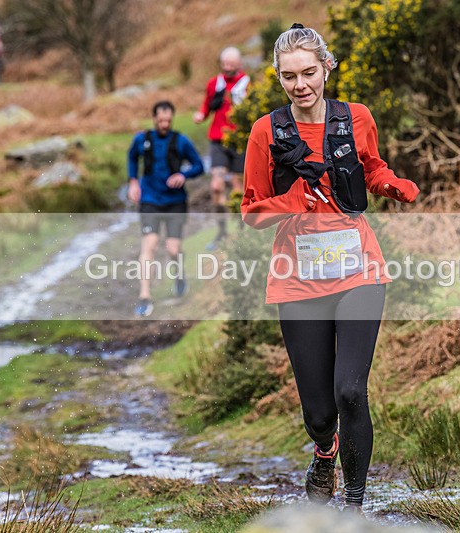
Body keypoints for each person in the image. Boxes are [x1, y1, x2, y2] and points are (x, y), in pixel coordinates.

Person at [240, 24, 419, 512]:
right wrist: (293, 202)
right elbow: (251, 212)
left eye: (309, 73)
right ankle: (324, 451)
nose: (301, 85)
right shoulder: (267, 132)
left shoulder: (356, 118)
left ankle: (354, 507)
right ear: (279, 78)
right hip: (297, 280)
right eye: (290, 76)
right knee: (320, 414)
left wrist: (391, 184)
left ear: (327, 68)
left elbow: (372, 167)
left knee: (350, 392)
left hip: (359, 270)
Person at [127, 100, 204, 317]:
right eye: (160, 120)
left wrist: (183, 175)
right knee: (149, 245)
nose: (164, 124)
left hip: (175, 201)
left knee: (172, 249)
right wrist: (133, 181)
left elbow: (199, 165)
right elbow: (132, 158)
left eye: (168, 121)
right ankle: (144, 296)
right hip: (150, 199)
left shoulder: (181, 141)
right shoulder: (141, 140)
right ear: (154, 119)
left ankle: (179, 276)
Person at [193, 46, 251, 251]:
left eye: (231, 66)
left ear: (239, 65)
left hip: (240, 141)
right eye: (224, 65)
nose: (227, 69)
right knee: (216, 186)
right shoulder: (214, 84)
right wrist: (201, 115)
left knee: (239, 188)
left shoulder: (247, 84)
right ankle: (221, 230)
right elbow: (206, 106)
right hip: (218, 141)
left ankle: (243, 231)